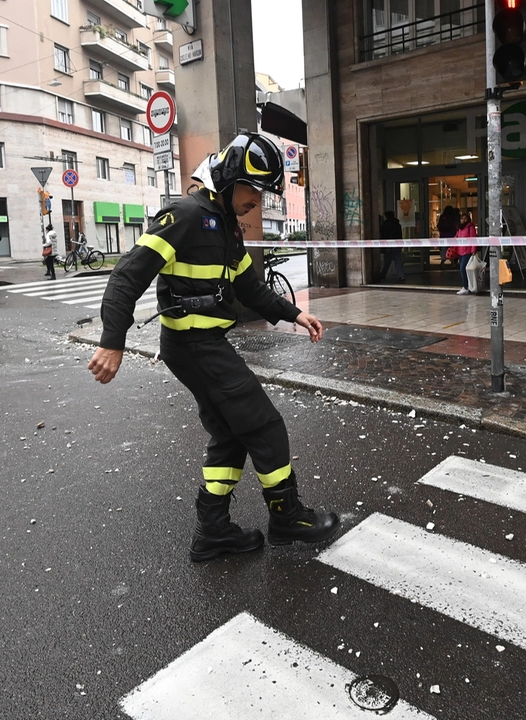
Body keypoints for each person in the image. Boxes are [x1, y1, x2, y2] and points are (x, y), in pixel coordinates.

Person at [88, 132, 339, 562]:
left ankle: (214, 531)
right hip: (192, 345)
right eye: (253, 190)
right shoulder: (185, 215)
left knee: (230, 432)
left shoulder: (226, 229)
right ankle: (286, 516)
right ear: (227, 180)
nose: (257, 202)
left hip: (203, 344)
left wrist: (295, 314)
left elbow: (249, 287)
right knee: (263, 425)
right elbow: (127, 276)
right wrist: (113, 341)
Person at [455, 211, 478, 295]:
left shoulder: (470, 227)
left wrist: (473, 250)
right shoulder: (459, 228)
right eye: (462, 218)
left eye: (465, 218)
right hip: (460, 252)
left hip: (467, 252)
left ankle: (465, 287)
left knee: (463, 269)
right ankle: (466, 286)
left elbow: (473, 239)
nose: (463, 220)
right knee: (463, 270)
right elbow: (456, 238)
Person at [378, 211, 404, 282]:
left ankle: (382, 276)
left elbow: (383, 236)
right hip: (397, 245)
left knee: (387, 262)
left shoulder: (385, 224)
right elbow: (400, 235)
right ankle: (400, 276)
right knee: (398, 261)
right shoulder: (397, 224)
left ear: (386, 216)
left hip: (388, 245)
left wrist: (382, 246)